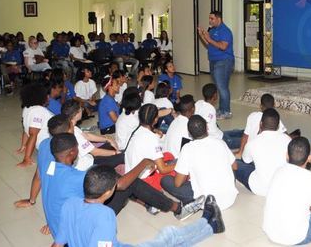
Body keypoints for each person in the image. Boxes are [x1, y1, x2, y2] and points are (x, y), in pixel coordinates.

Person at [52, 166, 224, 247]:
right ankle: (207, 223)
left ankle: (212, 227)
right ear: (108, 192)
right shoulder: (104, 215)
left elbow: (58, 244)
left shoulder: (70, 203)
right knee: (169, 234)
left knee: (170, 243)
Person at [161, 115, 238, 211]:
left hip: (207, 202)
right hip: (229, 197)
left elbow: (177, 183)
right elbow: (235, 166)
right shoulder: (220, 142)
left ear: (189, 133)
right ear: (207, 127)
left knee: (166, 180)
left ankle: (192, 202)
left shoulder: (188, 148)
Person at [235, 108, 291, 195]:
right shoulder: (288, 139)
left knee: (236, 163)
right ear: (278, 126)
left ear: (260, 124)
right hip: (281, 187)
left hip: (259, 188)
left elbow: (246, 161)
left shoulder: (252, 143)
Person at [197, 11, 234, 119]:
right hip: (213, 61)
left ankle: (226, 111)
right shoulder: (213, 30)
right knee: (220, 86)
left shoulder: (225, 31)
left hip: (223, 61)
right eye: (209, 18)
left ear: (219, 19)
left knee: (222, 87)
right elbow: (209, 44)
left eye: (212, 18)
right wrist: (202, 35)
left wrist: (209, 38)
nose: (210, 20)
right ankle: (222, 109)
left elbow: (223, 46)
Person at [237, 93, 288, 157]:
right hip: (259, 155)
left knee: (241, 132)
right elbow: (286, 136)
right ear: (274, 105)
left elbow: (245, 136)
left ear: (261, 106)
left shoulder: (252, 115)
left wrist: (240, 152)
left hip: (250, 151)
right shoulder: (274, 118)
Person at [195, 83, 243, 150]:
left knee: (234, 132)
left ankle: (247, 132)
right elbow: (204, 124)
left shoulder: (198, 102)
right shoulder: (210, 109)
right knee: (242, 140)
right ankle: (252, 135)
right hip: (218, 139)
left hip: (218, 133)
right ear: (215, 95)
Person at [17, 83, 54, 167]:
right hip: (50, 145)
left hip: (43, 145)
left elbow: (25, 130)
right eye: (46, 95)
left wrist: (23, 146)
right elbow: (33, 134)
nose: (48, 97)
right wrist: (26, 158)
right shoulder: (39, 111)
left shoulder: (27, 108)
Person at [163, 94, 194, 159]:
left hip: (166, 156)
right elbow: (185, 152)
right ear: (193, 109)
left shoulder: (176, 120)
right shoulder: (187, 127)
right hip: (174, 161)